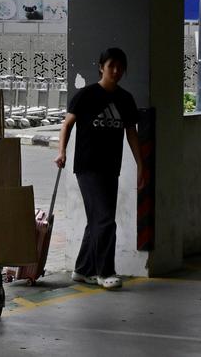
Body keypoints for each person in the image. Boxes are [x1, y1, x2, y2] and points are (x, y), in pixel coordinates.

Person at [54, 47, 147, 291]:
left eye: (120, 67)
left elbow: (132, 134)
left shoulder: (125, 99)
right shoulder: (86, 95)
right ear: (101, 67)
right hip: (88, 166)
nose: (116, 71)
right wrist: (61, 151)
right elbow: (67, 125)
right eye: (111, 66)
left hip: (111, 167)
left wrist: (140, 165)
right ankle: (104, 272)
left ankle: (83, 270)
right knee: (105, 220)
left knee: (97, 219)